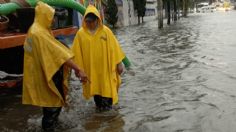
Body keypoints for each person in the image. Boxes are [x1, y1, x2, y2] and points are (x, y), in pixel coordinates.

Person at [22, 2, 88, 131]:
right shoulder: (39, 33)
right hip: (47, 73)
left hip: (40, 72)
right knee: (52, 104)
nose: (52, 21)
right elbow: (59, 55)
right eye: (51, 17)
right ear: (44, 16)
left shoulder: (35, 29)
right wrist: (78, 69)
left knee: (52, 104)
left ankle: (53, 125)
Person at [71, 5, 125, 111]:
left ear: (97, 20)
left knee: (107, 102)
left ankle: (107, 124)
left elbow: (115, 48)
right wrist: (78, 70)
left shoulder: (106, 32)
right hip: (92, 74)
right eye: (87, 21)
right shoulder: (80, 34)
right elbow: (76, 53)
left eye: (91, 21)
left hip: (106, 72)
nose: (89, 24)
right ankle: (102, 121)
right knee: (98, 99)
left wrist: (119, 64)